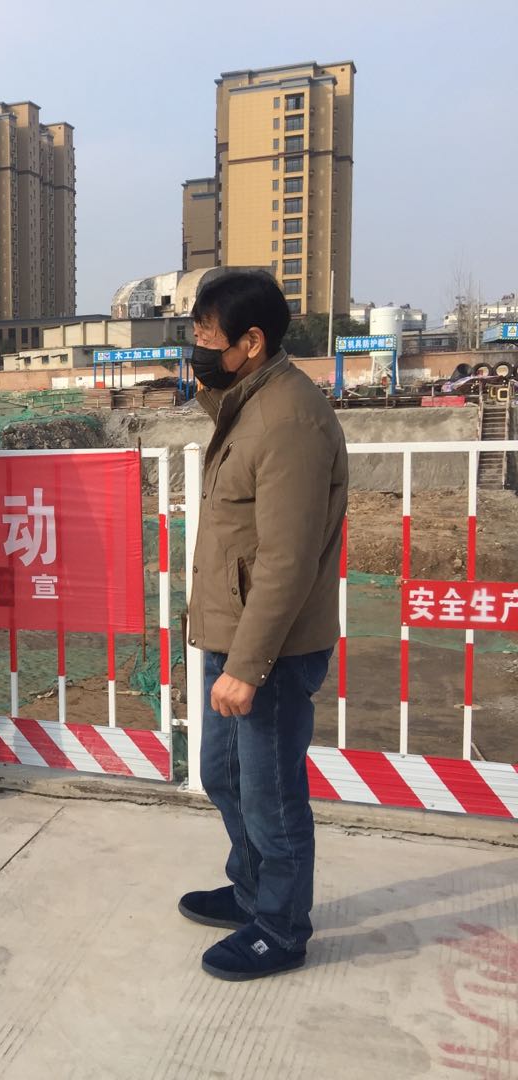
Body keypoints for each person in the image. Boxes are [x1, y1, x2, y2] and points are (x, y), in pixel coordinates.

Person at [180, 271, 349, 980]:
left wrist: (248, 667)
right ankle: (251, 890)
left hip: (270, 649)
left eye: (207, 337)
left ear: (251, 342)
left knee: (271, 797)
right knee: (222, 775)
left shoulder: (289, 422)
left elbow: (286, 559)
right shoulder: (249, 403)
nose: (196, 348)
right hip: (234, 633)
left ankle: (280, 927)